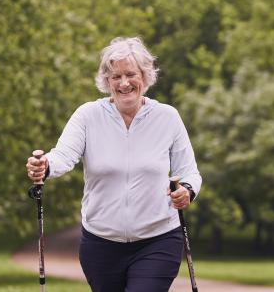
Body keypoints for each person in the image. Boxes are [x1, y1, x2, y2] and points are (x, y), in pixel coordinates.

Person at [25, 37, 202, 292]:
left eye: (131, 74)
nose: (124, 83)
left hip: (158, 240)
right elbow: (63, 155)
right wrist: (45, 166)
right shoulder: (88, 116)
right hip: (100, 244)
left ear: (145, 76)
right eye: (115, 76)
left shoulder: (167, 117)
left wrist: (187, 190)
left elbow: (190, 172)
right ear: (106, 80)